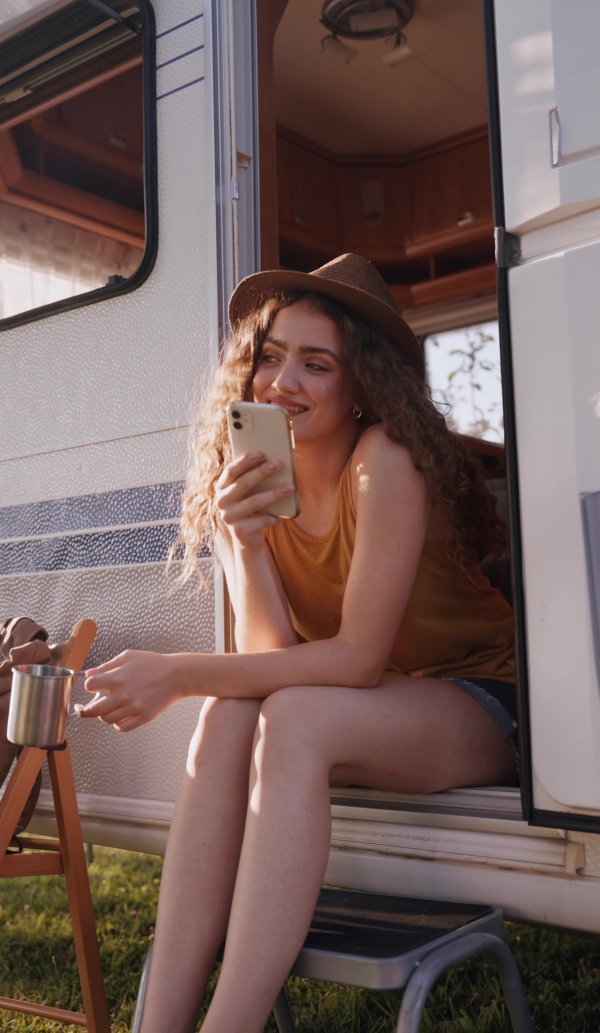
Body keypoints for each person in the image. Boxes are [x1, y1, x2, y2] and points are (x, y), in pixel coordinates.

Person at [80, 254, 517, 1033]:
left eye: (316, 364)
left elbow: (353, 658)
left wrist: (177, 672)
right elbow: (272, 656)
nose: (282, 381)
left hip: (481, 696)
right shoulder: (258, 483)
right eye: (270, 356)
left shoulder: (384, 461)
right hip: (374, 704)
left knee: (291, 716)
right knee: (226, 717)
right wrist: (241, 543)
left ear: (362, 388)